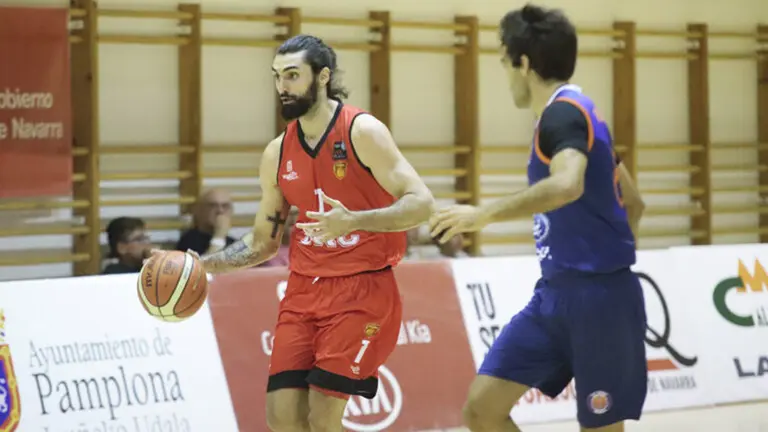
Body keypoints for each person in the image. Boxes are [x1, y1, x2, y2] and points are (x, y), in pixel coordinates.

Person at [155, 34, 434, 431]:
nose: (282, 86)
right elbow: (262, 242)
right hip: (303, 292)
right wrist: (201, 265)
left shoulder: (362, 131)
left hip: (363, 291)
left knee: (322, 418)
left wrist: (355, 220)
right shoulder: (277, 153)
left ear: (322, 77)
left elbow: (422, 203)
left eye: (292, 75)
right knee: (283, 418)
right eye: (277, 76)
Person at [429, 4, 647, 432]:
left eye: (504, 62)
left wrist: (483, 214)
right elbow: (634, 203)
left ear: (524, 63)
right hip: (555, 295)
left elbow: (568, 184)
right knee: (481, 408)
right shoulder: (580, 115)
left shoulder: (563, 114)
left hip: (599, 302)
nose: (506, 74)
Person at [176, 188, 236, 255]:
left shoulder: (234, 244)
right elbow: (204, 262)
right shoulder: (188, 241)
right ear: (199, 210)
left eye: (225, 206)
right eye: (212, 205)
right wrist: (219, 237)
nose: (220, 210)